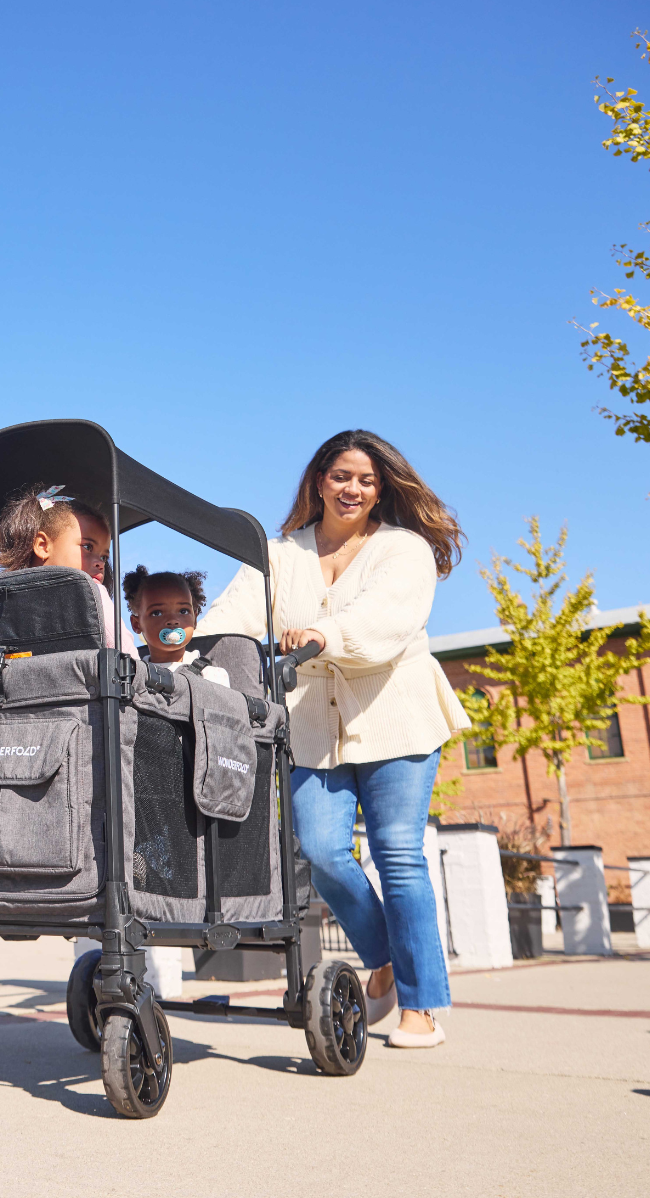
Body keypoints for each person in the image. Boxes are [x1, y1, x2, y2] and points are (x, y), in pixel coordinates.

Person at [197, 429, 470, 1048]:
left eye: (367, 480)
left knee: (399, 857)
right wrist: (196, 656)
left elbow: (385, 621)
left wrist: (321, 634)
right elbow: (233, 617)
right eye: (342, 476)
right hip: (314, 729)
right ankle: (388, 957)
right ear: (319, 480)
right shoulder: (278, 554)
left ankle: (422, 1009)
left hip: (394, 719)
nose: (353, 488)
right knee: (320, 850)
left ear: (381, 491)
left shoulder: (403, 550)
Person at [0, 484, 132, 648]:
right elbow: (126, 655)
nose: (100, 563)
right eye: (87, 547)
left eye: (104, 556)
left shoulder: (0, 603)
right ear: (43, 546)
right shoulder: (93, 599)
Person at [122, 565, 229, 687]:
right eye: (157, 613)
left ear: (195, 619)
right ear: (137, 624)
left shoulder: (212, 676)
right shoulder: (133, 677)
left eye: (183, 611)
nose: (172, 620)